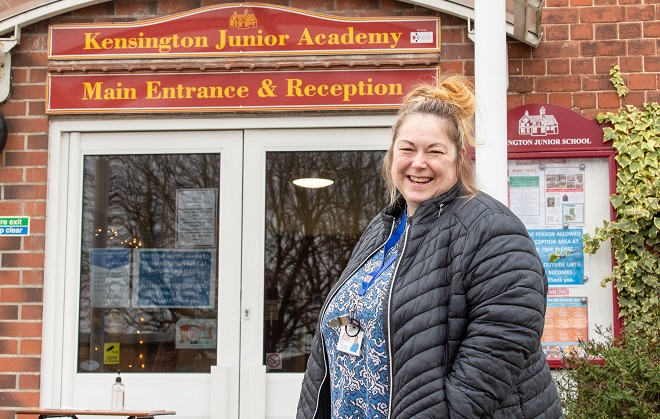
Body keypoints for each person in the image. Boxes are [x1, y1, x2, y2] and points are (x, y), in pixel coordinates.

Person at [296, 74, 563, 418]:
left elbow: (502, 344)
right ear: (393, 155)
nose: (418, 162)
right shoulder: (384, 229)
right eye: (407, 149)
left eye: (434, 151)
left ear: (457, 159)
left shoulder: (489, 228)